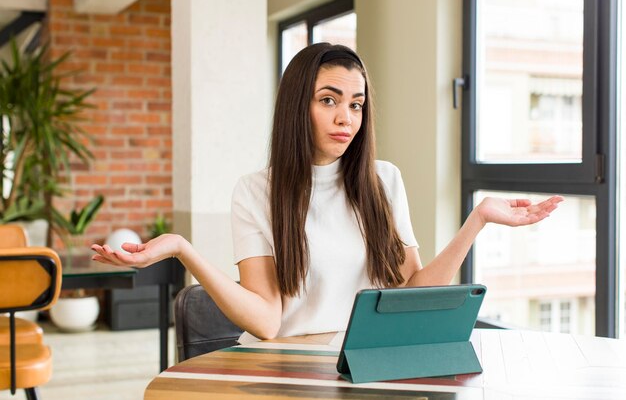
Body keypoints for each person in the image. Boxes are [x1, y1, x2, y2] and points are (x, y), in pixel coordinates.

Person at [91, 43, 563, 342]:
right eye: (329, 100)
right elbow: (268, 323)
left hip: (362, 366)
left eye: (356, 105)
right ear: (299, 106)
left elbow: (410, 291)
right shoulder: (256, 192)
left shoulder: (384, 180)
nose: (346, 119)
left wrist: (476, 219)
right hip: (283, 370)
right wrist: (180, 248)